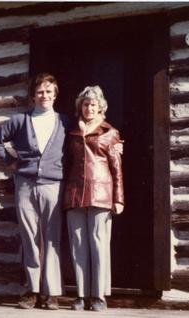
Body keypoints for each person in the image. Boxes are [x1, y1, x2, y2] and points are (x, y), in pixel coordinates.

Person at [0, 73, 70, 310]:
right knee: (30, 237)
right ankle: (32, 290)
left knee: (51, 237)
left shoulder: (65, 122)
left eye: (49, 92)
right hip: (25, 184)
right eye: (40, 92)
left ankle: (51, 293)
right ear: (33, 96)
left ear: (55, 95)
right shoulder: (20, 121)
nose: (44, 96)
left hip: (53, 185)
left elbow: (83, 139)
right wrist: (10, 161)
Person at [63, 86, 124, 312]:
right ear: (80, 107)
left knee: (99, 244)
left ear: (101, 108)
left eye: (93, 105)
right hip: (75, 193)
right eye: (86, 104)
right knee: (78, 244)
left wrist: (119, 198)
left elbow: (117, 168)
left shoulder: (110, 132)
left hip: (101, 194)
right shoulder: (71, 133)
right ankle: (81, 295)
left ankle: (98, 296)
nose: (89, 108)